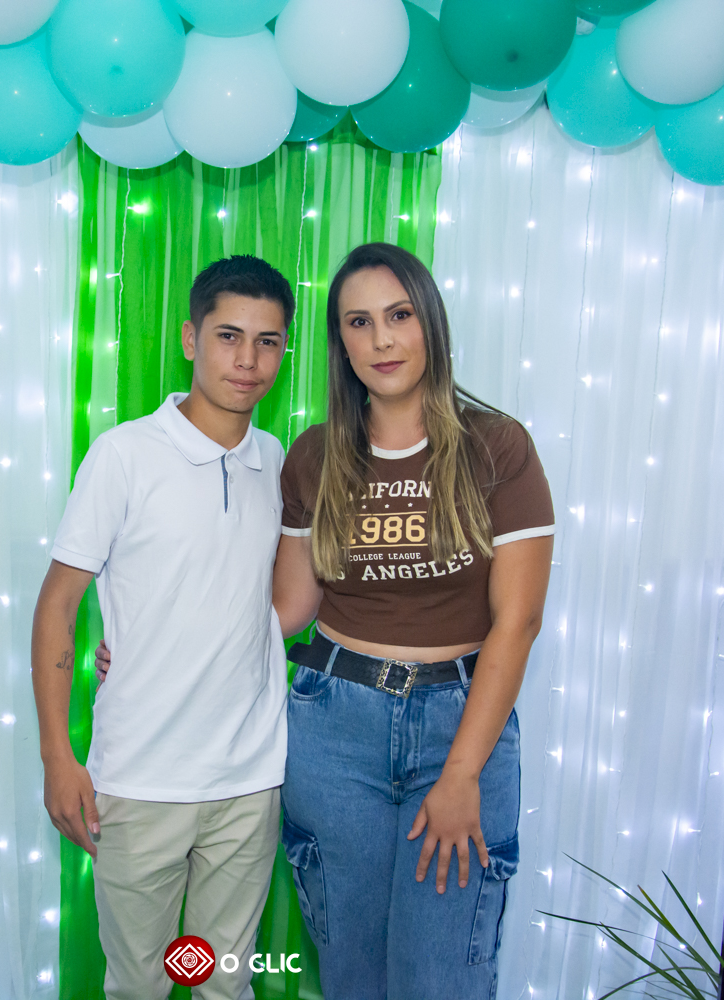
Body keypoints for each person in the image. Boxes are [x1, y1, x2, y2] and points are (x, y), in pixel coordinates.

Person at [273, 241, 554, 998]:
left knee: (442, 979)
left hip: (459, 727)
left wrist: (461, 773)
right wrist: (166, 647)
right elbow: (289, 608)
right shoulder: (314, 456)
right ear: (340, 342)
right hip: (334, 730)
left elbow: (518, 621)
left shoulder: (497, 447)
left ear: (430, 321)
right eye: (358, 323)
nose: (382, 340)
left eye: (399, 316)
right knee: (352, 978)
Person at [30, 256, 295, 1000]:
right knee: (139, 986)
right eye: (228, 336)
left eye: (268, 342)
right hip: (140, 780)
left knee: (225, 986)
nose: (247, 360)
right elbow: (57, 605)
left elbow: (257, 600)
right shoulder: (123, 455)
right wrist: (57, 758)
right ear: (190, 338)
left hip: (249, 779)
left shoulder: (275, 461)